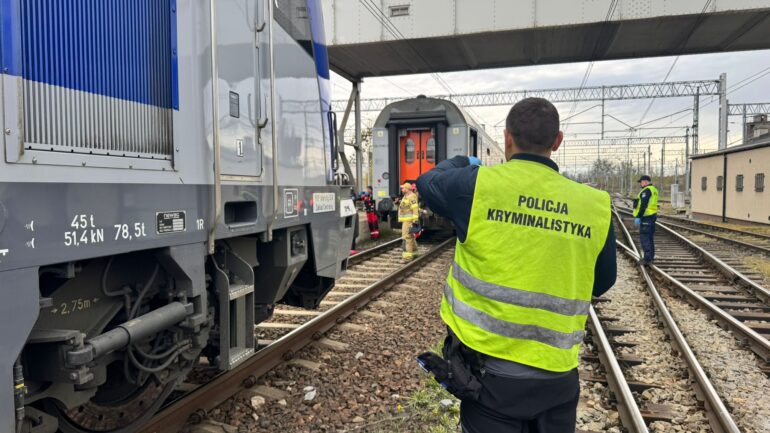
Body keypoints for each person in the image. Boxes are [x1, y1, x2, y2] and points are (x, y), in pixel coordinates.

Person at [415, 97, 617, 433]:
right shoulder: (595, 204)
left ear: (507, 138)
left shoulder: (477, 185)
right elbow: (602, 281)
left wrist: (463, 160)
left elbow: (427, 181)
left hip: (490, 383)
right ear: (557, 141)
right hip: (558, 382)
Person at [633, 175, 659, 266]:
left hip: (646, 217)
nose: (640, 183)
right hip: (652, 216)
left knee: (645, 237)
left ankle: (647, 259)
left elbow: (643, 205)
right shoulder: (654, 190)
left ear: (645, 181)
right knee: (650, 237)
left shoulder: (646, 191)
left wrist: (639, 216)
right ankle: (651, 257)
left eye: (641, 181)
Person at [398, 182, 420, 261]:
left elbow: (415, 208)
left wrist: (415, 220)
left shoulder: (412, 197)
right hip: (406, 220)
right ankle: (414, 252)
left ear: (407, 189)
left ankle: (407, 257)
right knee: (411, 237)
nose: (402, 189)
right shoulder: (406, 196)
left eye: (403, 188)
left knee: (407, 237)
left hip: (409, 221)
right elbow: (405, 207)